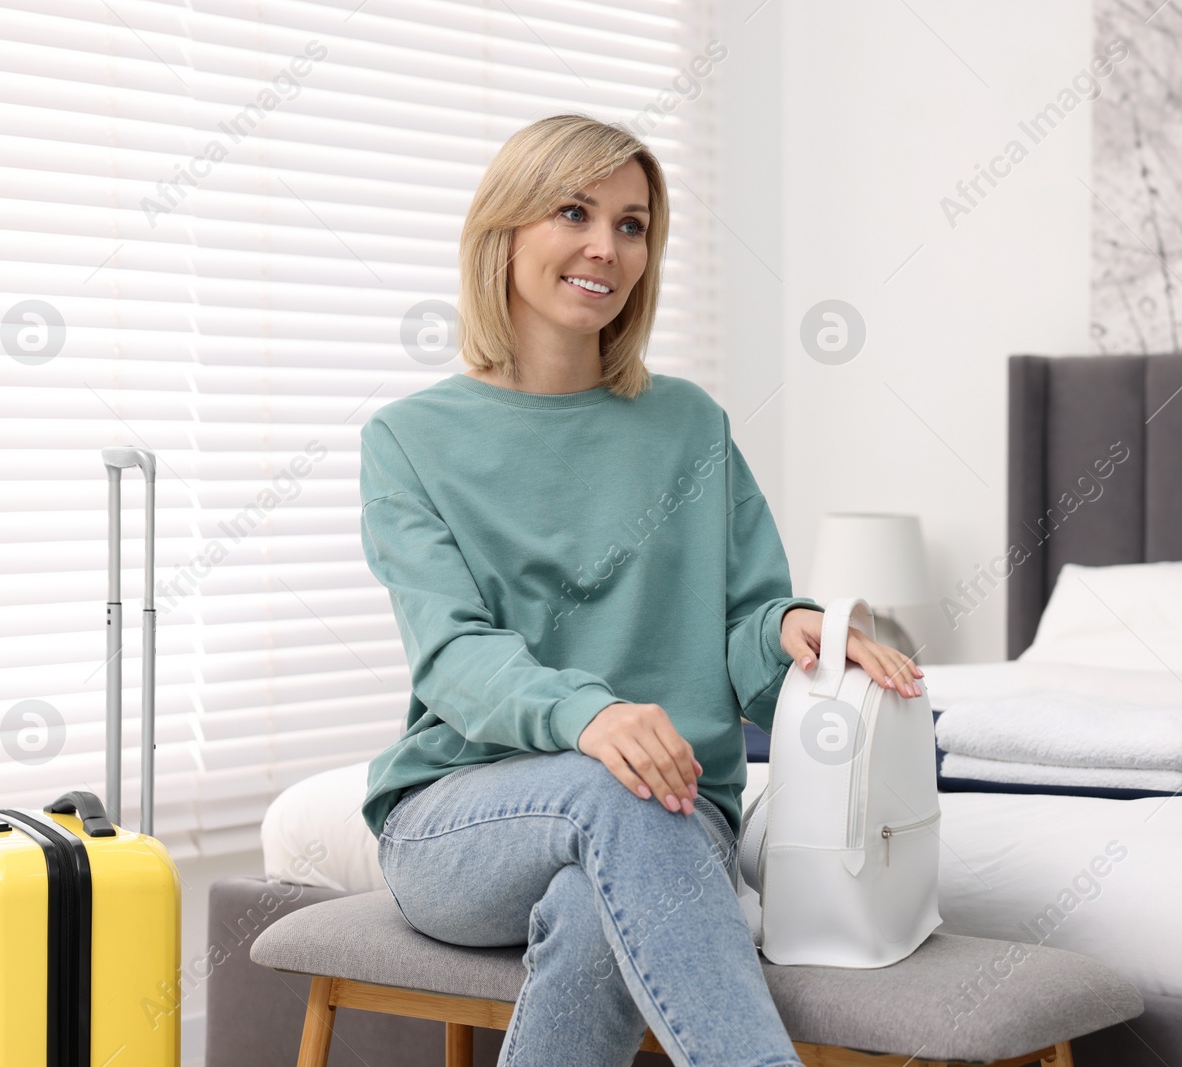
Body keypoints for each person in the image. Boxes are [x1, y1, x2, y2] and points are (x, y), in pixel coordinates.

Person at [357, 113, 923, 1067]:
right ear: (504, 230)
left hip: (671, 808)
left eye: (632, 224)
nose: (605, 247)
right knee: (613, 790)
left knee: (597, 902)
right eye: (574, 212)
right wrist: (592, 715)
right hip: (456, 820)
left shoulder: (688, 426)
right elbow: (453, 657)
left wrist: (795, 627)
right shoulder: (410, 439)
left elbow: (744, 626)